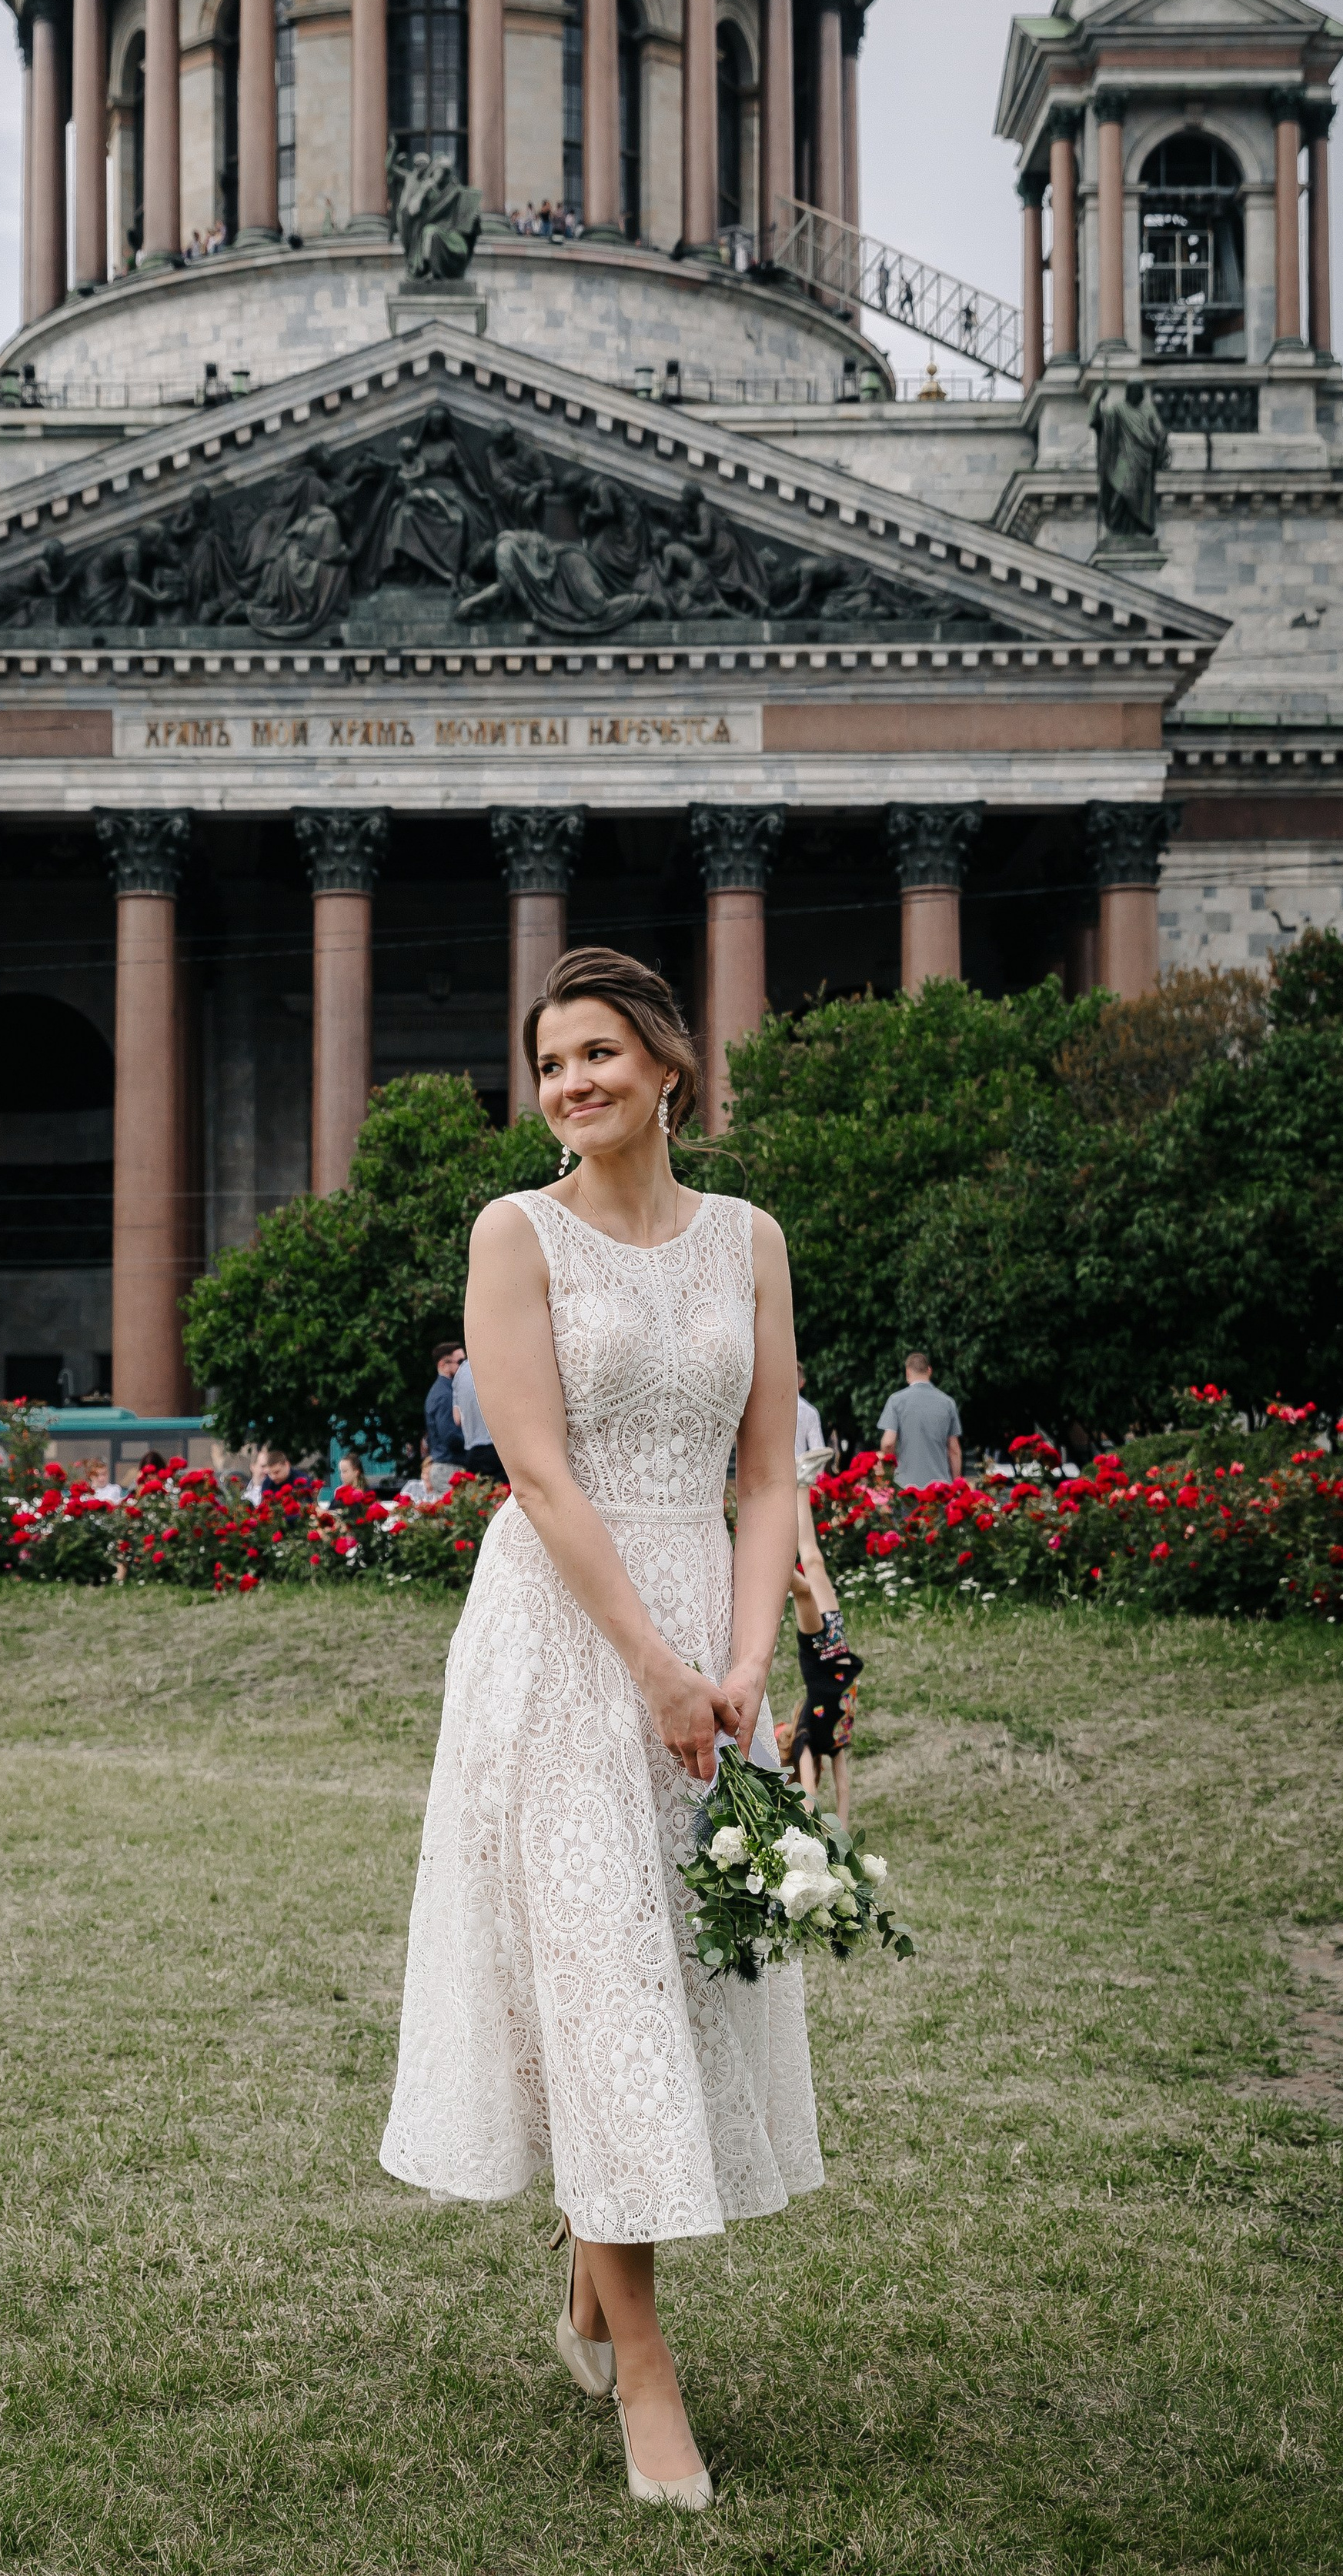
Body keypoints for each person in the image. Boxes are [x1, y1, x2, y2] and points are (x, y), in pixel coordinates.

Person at [382, 945, 817, 2514]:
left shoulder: (750, 1243)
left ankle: (592, 2271)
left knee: (678, 1978)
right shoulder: (516, 1235)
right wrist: (647, 1661)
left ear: (667, 1067)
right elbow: (539, 1476)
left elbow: (766, 1473)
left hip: (708, 1626)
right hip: (566, 1639)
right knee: (595, 1981)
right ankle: (644, 2370)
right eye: (549, 1063)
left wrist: (743, 1657)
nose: (569, 1085)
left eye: (596, 1057)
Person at [773, 1468, 860, 1824]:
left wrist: (811, 1833)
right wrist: (845, 1841)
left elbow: (809, 1794)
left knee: (804, 1588)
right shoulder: (835, 1743)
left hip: (821, 1659)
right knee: (813, 1561)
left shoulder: (806, 1738)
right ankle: (802, 1482)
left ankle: (755, 1556)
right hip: (837, 1650)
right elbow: (844, 1791)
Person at [878, 1353, 963, 1490]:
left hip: (905, 1488)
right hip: (939, 1489)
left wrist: (889, 1474)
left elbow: (888, 1443)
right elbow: (954, 1450)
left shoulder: (896, 1401)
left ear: (907, 1372)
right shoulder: (948, 1403)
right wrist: (956, 1484)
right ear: (929, 1371)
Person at [450, 1355, 503, 1485]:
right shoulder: (499, 1363)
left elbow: (457, 1419)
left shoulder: (461, 1372)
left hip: (474, 1451)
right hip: (500, 1448)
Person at [424, 1342, 468, 1473]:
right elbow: (450, 1435)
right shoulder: (445, 1395)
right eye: (460, 1362)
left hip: (447, 1466)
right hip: (450, 1467)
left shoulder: (443, 1391)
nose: (464, 1366)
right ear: (443, 1365)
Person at [793, 1358, 824, 1469]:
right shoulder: (809, 1412)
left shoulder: (809, 1413)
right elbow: (818, 1453)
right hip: (798, 1474)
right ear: (802, 1383)